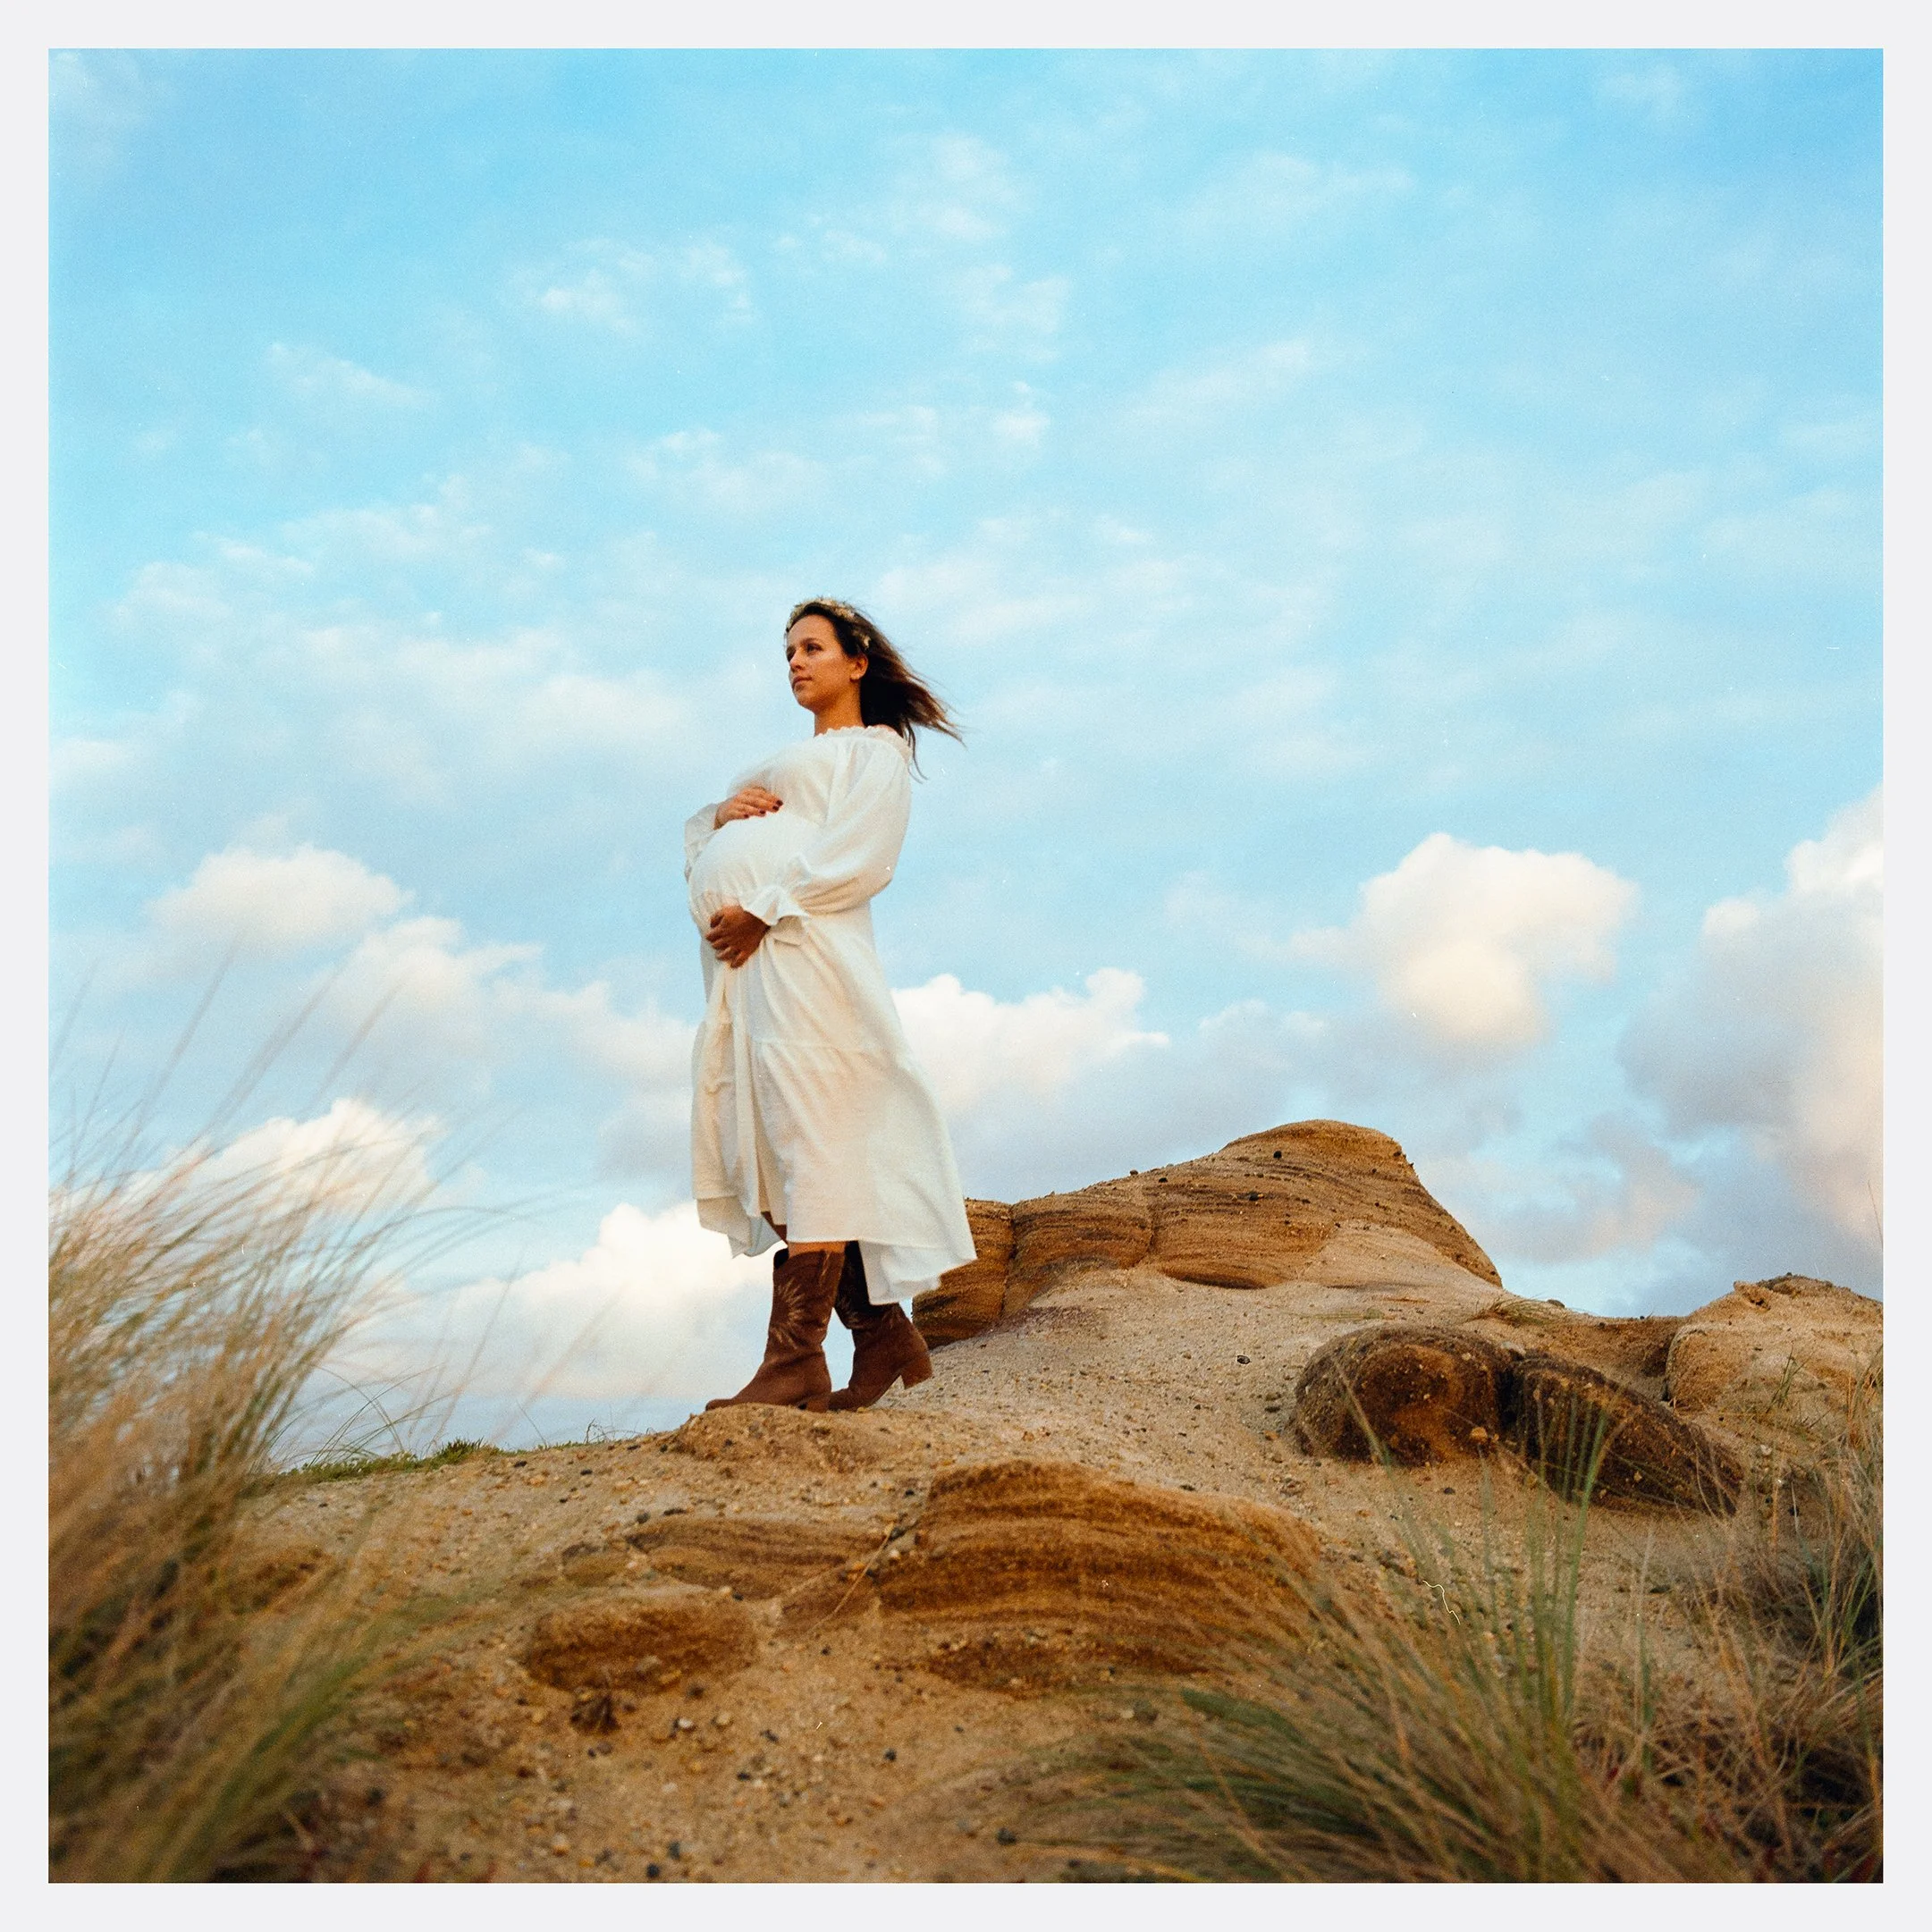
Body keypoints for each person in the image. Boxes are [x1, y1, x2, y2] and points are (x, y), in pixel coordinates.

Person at [683, 596, 975, 1413]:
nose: (795, 663)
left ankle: (795, 1362)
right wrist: (717, 817)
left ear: (857, 661)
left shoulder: (876, 751)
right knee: (770, 1159)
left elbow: (862, 856)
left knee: (807, 1140)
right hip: (748, 973)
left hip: (806, 960)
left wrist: (764, 905)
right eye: (786, 653)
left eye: (811, 647)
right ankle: (881, 1334)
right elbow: (707, 853)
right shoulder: (780, 760)